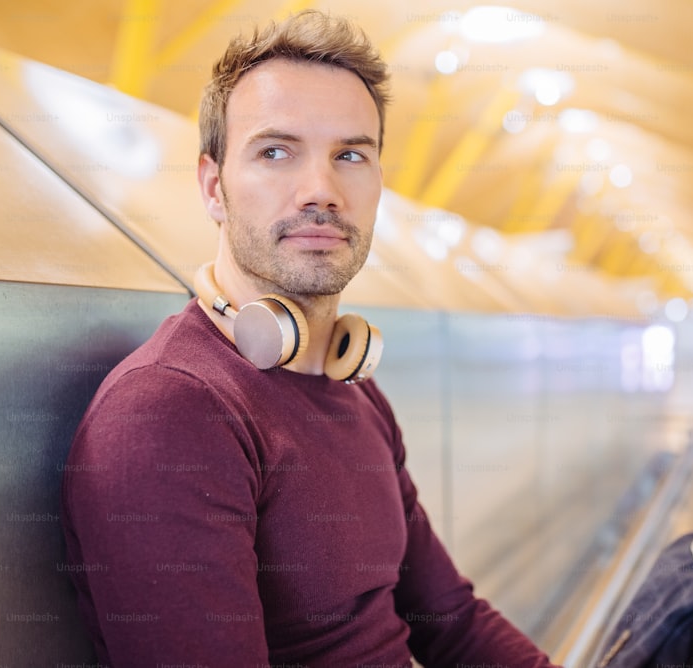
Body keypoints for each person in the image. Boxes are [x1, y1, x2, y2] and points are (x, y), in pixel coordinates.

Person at [61, 9, 560, 667]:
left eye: (350, 155)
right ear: (214, 188)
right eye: (276, 152)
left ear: (380, 184)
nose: (321, 190)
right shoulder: (169, 411)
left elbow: (452, 621)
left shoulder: (352, 388)